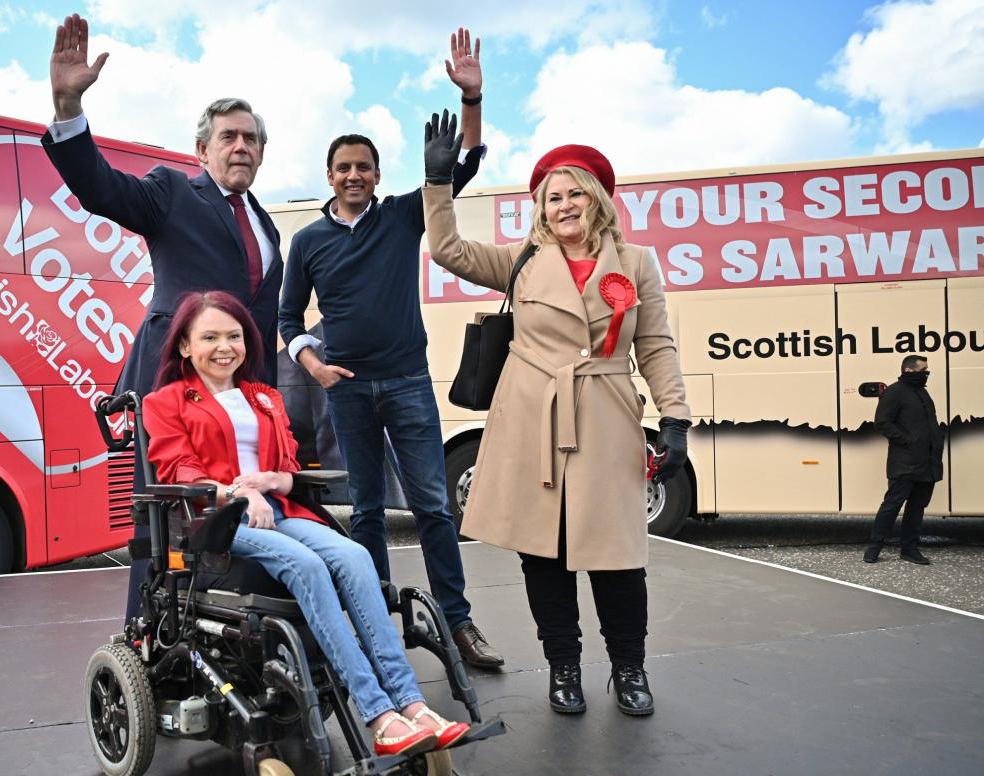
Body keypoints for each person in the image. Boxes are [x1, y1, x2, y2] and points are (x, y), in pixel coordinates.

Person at [421, 117, 692, 717]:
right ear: (540, 208)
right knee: (544, 554)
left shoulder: (637, 263)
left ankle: (629, 668)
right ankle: (563, 666)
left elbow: (655, 345)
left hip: (606, 415)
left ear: (596, 199)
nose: (564, 204)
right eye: (552, 196)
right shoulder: (523, 260)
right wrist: (438, 182)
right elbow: (446, 249)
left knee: (617, 554)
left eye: (575, 192)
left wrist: (675, 418)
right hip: (531, 420)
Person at [143, 290, 470, 756]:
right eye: (209, 337)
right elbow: (180, 471)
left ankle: (411, 705)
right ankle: (378, 714)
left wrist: (276, 479)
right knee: (308, 566)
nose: (224, 347)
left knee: (356, 555)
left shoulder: (264, 396)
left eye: (234, 336)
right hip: (218, 521)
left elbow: (290, 466)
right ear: (184, 347)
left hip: (279, 512)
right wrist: (241, 491)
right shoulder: (166, 401)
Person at [43, 14, 283, 621]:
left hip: (242, 398)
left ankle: (228, 634)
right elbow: (100, 188)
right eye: (228, 137)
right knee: (164, 519)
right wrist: (69, 108)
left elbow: (265, 319)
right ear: (202, 149)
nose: (240, 147)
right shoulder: (172, 192)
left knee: (239, 515)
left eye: (250, 139)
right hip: (172, 385)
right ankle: (146, 633)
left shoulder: (268, 226)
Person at [278, 29, 502, 670]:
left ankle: (458, 623)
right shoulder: (310, 242)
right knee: (368, 512)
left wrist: (471, 100)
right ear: (329, 175)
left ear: (377, 175)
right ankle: (376, 622)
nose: (354, 175)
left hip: (406, 382)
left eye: (364, 167)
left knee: (433, 505)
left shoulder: (405, 215)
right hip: (344, 388)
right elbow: (289, 316)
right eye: (343, 167)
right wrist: (311, 363)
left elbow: (463, 167)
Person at [864, 355, 944, 565]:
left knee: (917, 507)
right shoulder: (894, 392)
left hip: (927, 462)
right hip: (905, 462)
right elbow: (882, 422)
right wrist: (907, 440)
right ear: (909, 371)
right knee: (892, 505)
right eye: (923, 369)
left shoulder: (922, 393)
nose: (926, 373)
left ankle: (910, 549)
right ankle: (874, 547)